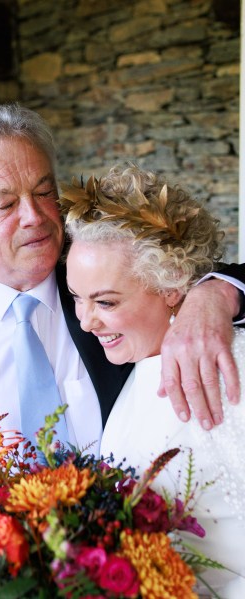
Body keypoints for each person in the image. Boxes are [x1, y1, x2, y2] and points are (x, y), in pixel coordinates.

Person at [0, 105, 245, 598]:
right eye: (4, 203)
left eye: (44, 191)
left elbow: (200, 265)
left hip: (128, 578)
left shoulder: (113, 282)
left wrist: (214, 293)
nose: (36, 216)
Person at [62, 163, 245, 597]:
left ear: (171, 286)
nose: (85, 323)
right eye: (75, 298)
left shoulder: (225, 368)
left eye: (105, 302)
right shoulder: (141, 363)